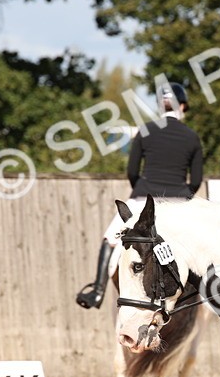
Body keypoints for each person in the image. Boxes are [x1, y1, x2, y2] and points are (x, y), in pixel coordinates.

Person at [75, 82, 204, 309]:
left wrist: (142, 194)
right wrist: (182, 197)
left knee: (110, 239)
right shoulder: (192, 137)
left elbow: (133, 171)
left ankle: (97, 290)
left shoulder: (145, 131)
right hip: (179, 202)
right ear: (182, 106)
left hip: (143, 198)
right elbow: (195, 180)